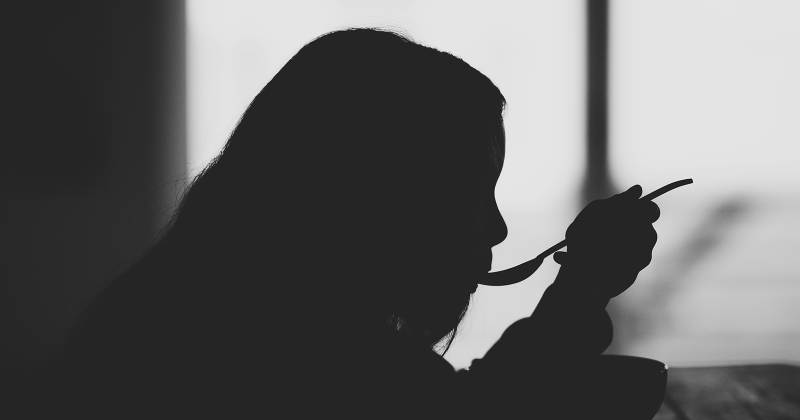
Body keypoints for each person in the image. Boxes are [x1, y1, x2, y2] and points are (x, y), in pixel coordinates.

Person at [20, 28, 659, 418]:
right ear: (376, 199)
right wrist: (580, 290)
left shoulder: (178, 316)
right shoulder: (322, 366)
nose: (495, 229)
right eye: (468, 191)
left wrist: (580, 287)